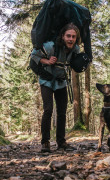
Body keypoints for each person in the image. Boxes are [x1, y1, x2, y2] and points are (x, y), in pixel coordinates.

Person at [31, 23, 81, 152]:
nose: (70, 39)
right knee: (48, 110)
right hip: (46, 80)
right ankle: (45, 143)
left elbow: (76, 64)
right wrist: (47, 61)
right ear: (63, 36)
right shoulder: (50, 46)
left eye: (73, 37)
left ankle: (61, 142)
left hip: (61, 82)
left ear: (76, 38)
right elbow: (34, 55)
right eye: (68, 36)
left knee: (62, 112)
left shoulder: (75, 50)